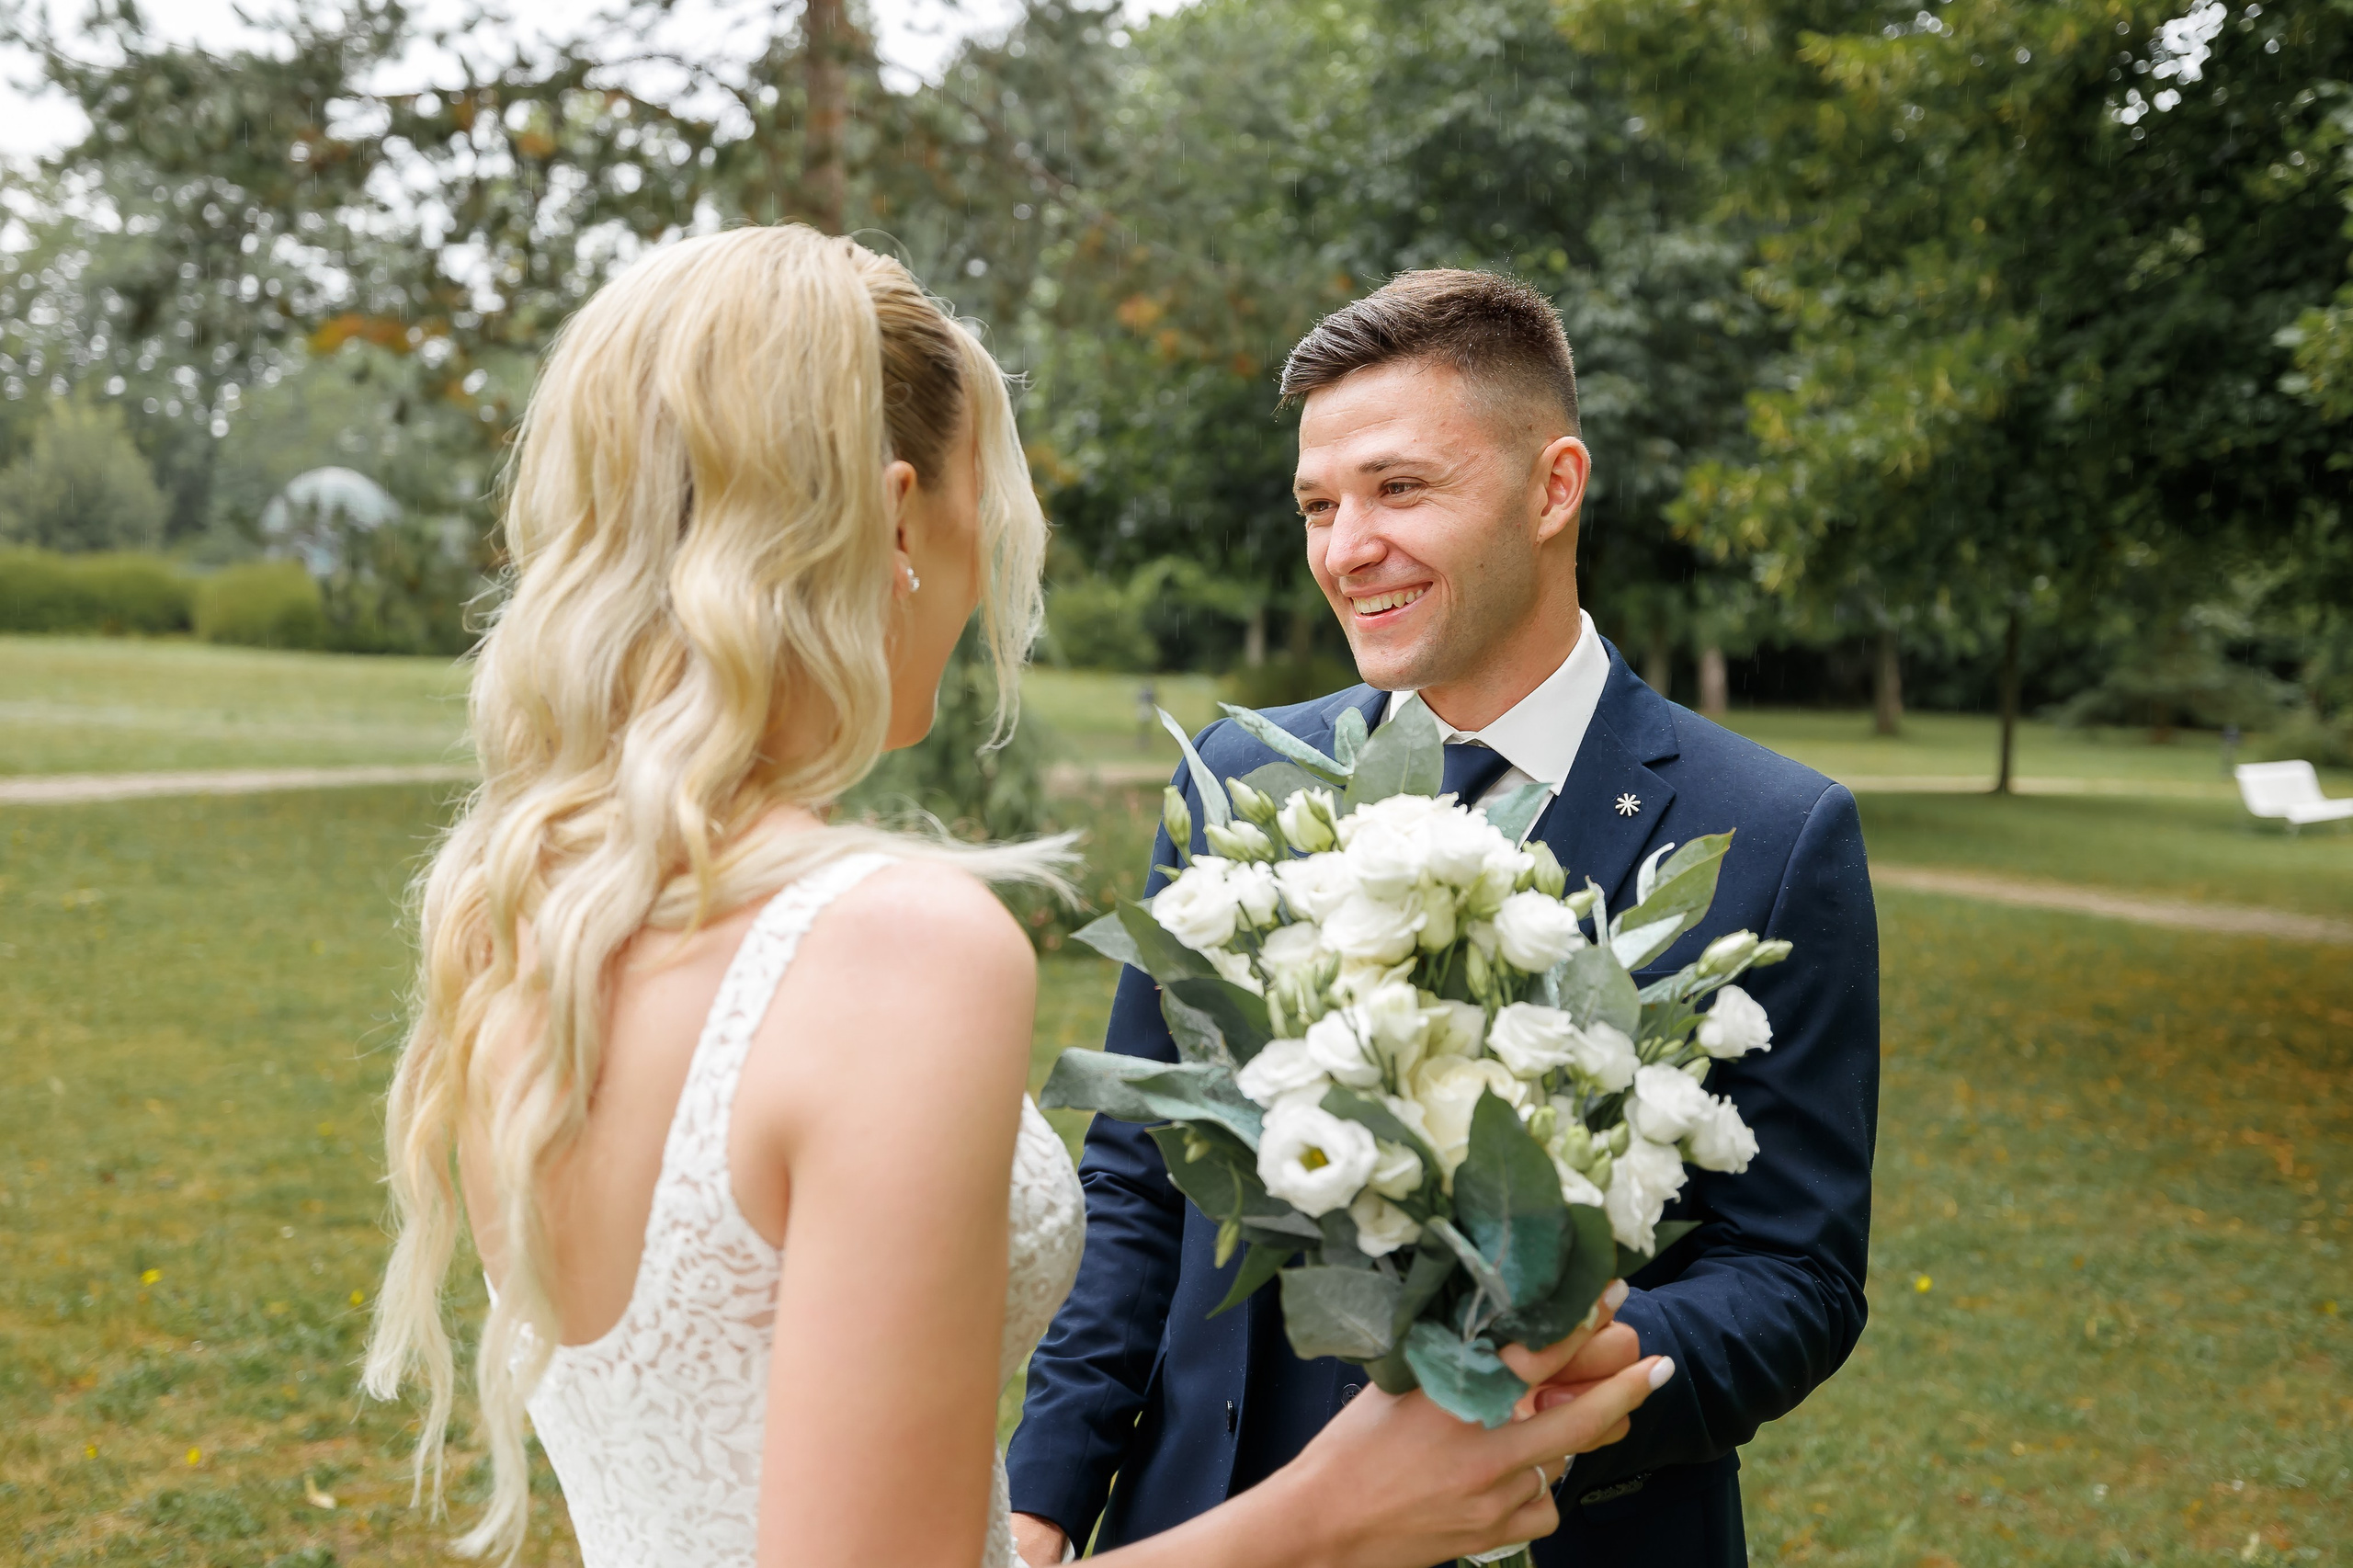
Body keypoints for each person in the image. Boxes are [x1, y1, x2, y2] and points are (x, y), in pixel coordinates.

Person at [358, 227, 1670, 1568]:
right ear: (897, 511)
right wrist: (1334, 1516)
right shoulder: (890, 948)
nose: (992, 560)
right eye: (992, 500)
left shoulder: (536, 920)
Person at [1008, 270, 1881, 1567]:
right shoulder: (1240, 788)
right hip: (1213, 1518)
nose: (1346, 545)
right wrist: (1038, 1511)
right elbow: (1143, 1182)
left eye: (1400, 488)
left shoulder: (1773, 831)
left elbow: (1794, 1268)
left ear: (1554, 488)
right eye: (1319, 503)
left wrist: (1573, 1387)